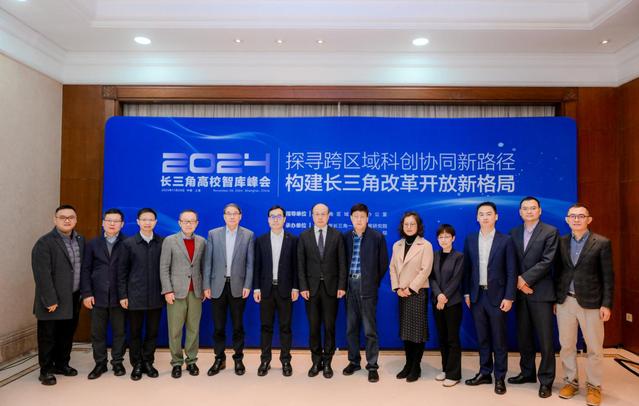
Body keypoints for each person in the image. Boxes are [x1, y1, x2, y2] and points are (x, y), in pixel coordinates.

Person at [555, 203, 613, 406]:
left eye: (581, 216)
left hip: (592, 303)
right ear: (567, 219)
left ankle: (594, 386)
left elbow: (608, 276)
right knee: (567, 345)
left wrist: (606, 304)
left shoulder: (602, 243)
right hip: (565, 302)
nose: (576, 219)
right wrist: (557, 300)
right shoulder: (561, 242)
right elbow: (558, 273)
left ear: (589, 219)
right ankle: (570, 381)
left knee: (594, 348)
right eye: (573, 216)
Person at [463, 201, 517, 395]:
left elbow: (511, 271)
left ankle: (499, 376)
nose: (485, 217)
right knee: (482, 338)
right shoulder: (470, 239)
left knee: (499, 339)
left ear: (496, 217)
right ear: (476, 218)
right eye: (481, 214)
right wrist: (467, 293)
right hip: (477, 296)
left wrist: (509, 296)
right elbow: (467, 269)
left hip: (498, 297)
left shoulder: (506, 240)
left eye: (488, 214)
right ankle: (485, 372)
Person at [508, 196, 559, 398]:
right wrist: (519, 283)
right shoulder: (513, 232)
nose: (529, 211)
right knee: (524, 336)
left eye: (533, 208)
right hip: (521, 294)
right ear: (520, 212)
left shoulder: (550, 231)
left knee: (546, 340)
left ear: (539, 211)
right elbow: (510, 261)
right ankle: (527, 372)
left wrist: (524, 280)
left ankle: (546, 380)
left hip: (541, 293)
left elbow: (548, 261)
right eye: (525, 208)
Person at [32, 204, 85, 385]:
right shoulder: (44, 243)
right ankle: (46, 370)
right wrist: (50, 299)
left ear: (76, 220)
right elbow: (42, 274)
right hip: (52, 299)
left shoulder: (80, 240)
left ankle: (62, 364)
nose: (67, 220)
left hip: (73, 297)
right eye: (62, 217)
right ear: (55, 220)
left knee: (66, 334)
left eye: (71, 217)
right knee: (48, 336)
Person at [203, 203, 254, 376]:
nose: (232, 216)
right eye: (228, 213)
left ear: (240, 216)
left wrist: (247, 285)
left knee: (238, 326)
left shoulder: (248, 235)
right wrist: (206, 285)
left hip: (238, 286)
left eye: (235, 213)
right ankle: (219, 359)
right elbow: (208, 262)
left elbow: (250, 264)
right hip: (217, 286)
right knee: (218, 326)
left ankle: (238, 359)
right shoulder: (213, 234)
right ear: (224, 216)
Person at [298, 203, 347, 379]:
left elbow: (342, 263)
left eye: (323, 214)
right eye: (317, 214)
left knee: (329, 327)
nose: (320, 217)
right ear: (312, 215)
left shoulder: (337, 235)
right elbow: (300, 265)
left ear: (328, 215)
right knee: (313, 327)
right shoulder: (304, 236)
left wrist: (342, 286)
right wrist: (303, 287)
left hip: (331, 289)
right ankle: (316, 361)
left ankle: (327, 362)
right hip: (310, 290)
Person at [342, 203, 389, 383]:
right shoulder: (346, 237)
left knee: (370, 330)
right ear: (351, 218)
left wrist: (372, 282)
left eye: (362, 216)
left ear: (368, 218)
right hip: (349, 287)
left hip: (367, 287)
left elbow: (383, 264)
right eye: (356, 216)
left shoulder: (377, 237)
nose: (359, 220)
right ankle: (354, 362)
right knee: (351, 328)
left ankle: (372, 366)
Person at [80, 208, 127, 379]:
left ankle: (117, 362)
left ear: (122, 224)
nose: (112, 224)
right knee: (97, 333)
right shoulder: (92, 244)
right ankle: (100, 363)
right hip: (97, 296)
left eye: (116, 221)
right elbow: (85, 270)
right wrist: (86, 293)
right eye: (109, 220)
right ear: (103, 223)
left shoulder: (128, 243)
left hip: (119, 297)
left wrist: (126, 295)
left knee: (120, 332)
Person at [118, 207, 164, 381]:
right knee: (135, 333)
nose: (147, 222)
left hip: (156, 296)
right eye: (144, 219)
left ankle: (148, 362)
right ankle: (136, 363)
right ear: (138, 222)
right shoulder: (128, 244)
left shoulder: (162, 242)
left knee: (152, 332)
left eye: (151, 219)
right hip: (134, 296)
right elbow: (121, 272)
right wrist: (123, 295)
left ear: (155, 222)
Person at [160, 209, 206, 378]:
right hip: (176, 292)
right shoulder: (170, 241)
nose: (188, 224)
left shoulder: (202, 241)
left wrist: (204, 288)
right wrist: (167, 290)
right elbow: (164, 267)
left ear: (197, 223)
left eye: (192, 221)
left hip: (196, 292)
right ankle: (177, 362)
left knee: (193, 329)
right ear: (179, 223)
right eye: (185, 221)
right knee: (175, 330)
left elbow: (204, 267)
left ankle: (191, 361)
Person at [253, 205, 298, 377]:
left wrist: (296, 287)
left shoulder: (293, 240)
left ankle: (286, 360)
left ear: (284, 219)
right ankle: (265, 360)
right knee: (266, 327)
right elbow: (257, 266)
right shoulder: (261, 240)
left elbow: (296, 266)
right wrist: (256, 288)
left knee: (285, 327)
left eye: (279, 216)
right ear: (268, 220)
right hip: (266, 290)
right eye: (272, 216)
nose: (276, 219)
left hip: (286, 290)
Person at [389, 211, 433, 383]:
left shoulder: (425, 245)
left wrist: (411, 288)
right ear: (402, 226)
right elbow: (392, 268)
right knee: (406, 332)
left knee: (417, 332)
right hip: (401, 293)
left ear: (418, 226)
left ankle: (416, 366)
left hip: (417, 293)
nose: (409, 227)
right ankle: (407, 364)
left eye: (412, 224)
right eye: (406, 224)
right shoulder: (397, 245)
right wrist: (397, 288)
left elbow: (426, 270)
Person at [428, 224, 464, 387]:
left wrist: (444, 297)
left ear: (453, 238)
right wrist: (438, 295)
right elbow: (431, 278)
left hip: (452, 303)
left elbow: (457, 280)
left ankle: (454, 374)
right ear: (437, 239)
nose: (444, 240)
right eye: (441, 237)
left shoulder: (459, 256)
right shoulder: (434, 255)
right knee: (442, 337)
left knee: (452, 338)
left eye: (447, 237)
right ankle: (445, 369)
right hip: (437, 302)